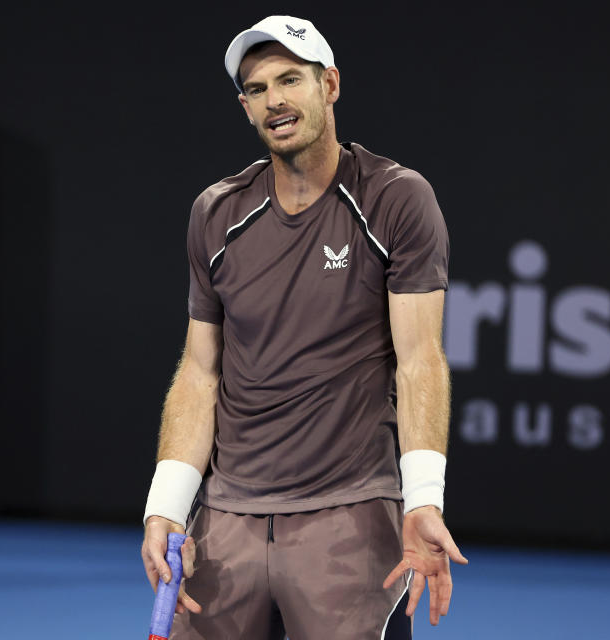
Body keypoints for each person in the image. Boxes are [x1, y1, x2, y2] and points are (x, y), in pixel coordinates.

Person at [141, 15, 467, 639]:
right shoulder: (215, 213)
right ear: (245, 106)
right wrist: (166, 505)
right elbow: (199, 370)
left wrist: (425, 496)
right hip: (226, 523)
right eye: (257, 89)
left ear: (330, 86)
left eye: (290, 79)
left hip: (348, 521)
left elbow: (421, 358)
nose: (276, 101)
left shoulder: (396, 199)